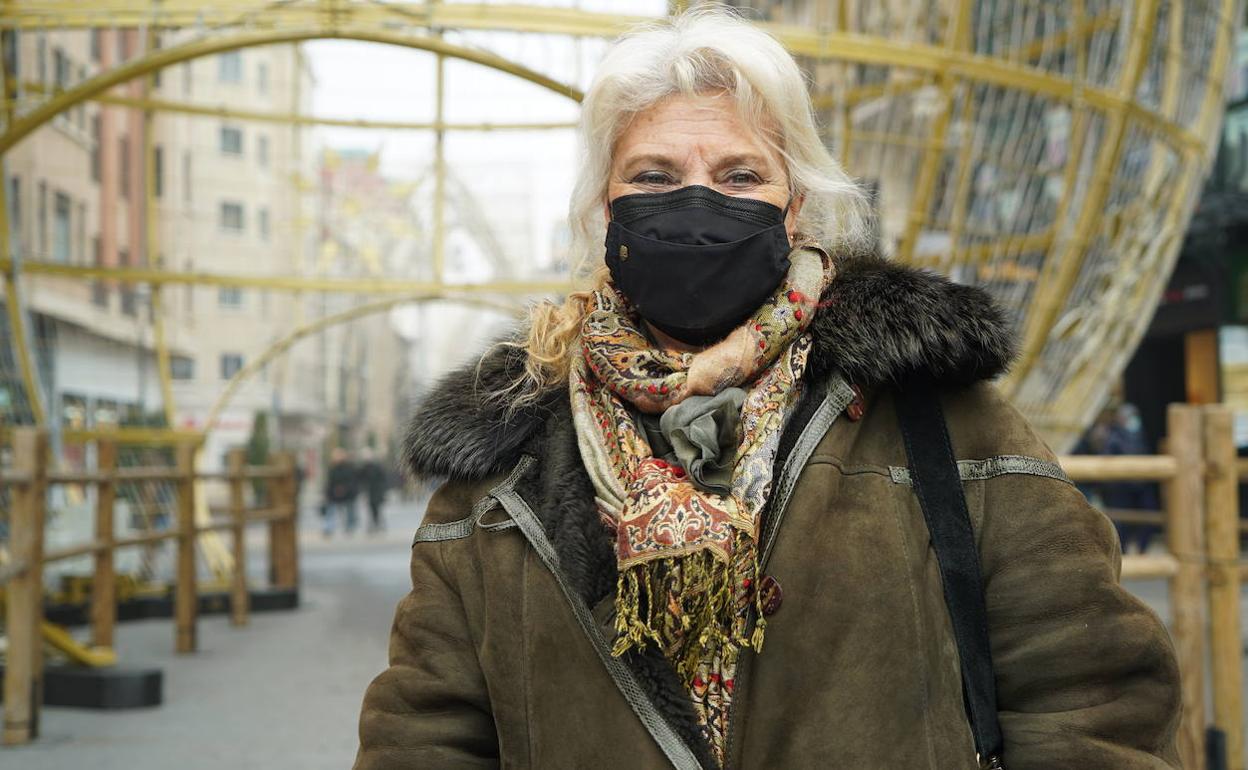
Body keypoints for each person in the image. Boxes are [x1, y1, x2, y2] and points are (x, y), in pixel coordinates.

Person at [355, 9, 1180, 769]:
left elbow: (1091, 693)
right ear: (603, 212)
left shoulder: (937, 413)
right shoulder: (507, 459)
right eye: (652, 176)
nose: (697, 203)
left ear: (795, 211)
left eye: (741, 174)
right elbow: (426, 732)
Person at [324, 447, 359, 537]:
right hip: (333, 493)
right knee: (331, 511)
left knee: (349, 510)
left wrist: (344, 488)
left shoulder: (348, 467)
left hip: (348, 493)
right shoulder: (332, 468)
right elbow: (330, 481)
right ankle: (329, 528)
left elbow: (352, 480)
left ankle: (349, 527)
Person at [358, 446, 389, 533]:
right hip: (370, 492)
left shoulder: (377, 466)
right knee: (371, 509)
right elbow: (360, 478)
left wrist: (383, 490)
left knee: (377, 509)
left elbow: (382, 478)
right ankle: (374, 526)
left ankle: (379, 525)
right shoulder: (364, 467)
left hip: (377, 491)